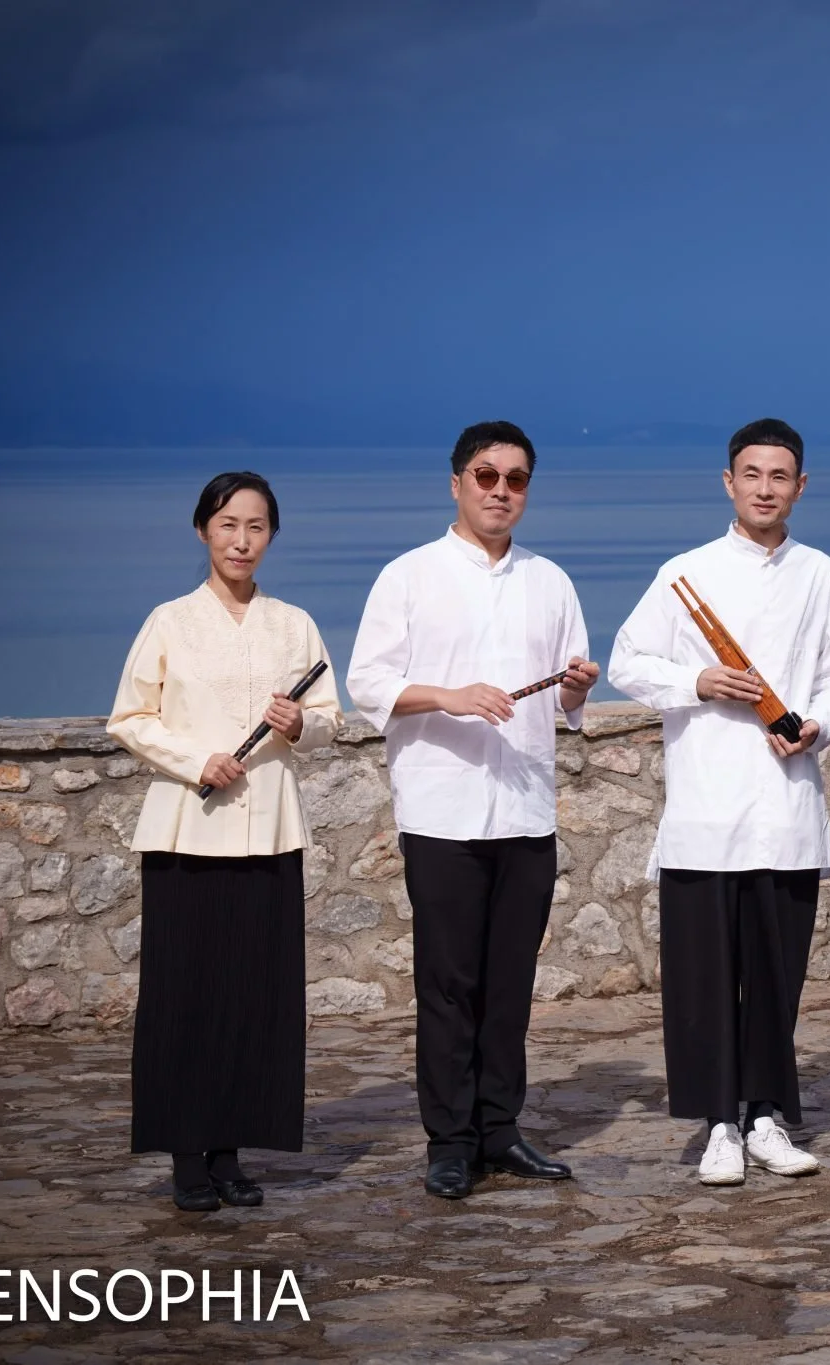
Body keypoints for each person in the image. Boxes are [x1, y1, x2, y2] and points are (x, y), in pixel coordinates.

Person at [346, 421, 598, 1199]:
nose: (500, 490)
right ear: (456, 482)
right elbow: (367, 683)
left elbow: (568, 698)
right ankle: (449, 1140)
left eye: (515, 478)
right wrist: (448, 696)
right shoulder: (408, 576)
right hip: (442, 810)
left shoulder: (551, 581)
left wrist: (577, 688)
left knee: (511, 982)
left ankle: (500, 1128)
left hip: (525, 811)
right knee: (449, 984)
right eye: (486, 475)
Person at [608, 418, 830, 1186]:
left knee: (777, 977)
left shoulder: (820, 574)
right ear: (729, 482)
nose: (764, 488)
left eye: (779, 475)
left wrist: (818, 723)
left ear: (800, 486)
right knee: (703, 982)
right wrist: (698, 680)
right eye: (751, 474)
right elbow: (627, 661)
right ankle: (718, 1121)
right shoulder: (685, 573)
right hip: (705, 810)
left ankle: (765, 1116)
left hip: (786, 809)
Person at [108, 471, 342, 1211]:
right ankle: (187, 1155)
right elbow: (129, 718)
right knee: (183, 998)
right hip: (187, 833)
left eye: (256, 526)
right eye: (228, 525)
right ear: (204, 530)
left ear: (272, 535)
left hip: (269, 832)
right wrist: (194, 760)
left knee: (256, 1000)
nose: (242, 540)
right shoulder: (169, 621)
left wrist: (300, 724)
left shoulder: (295, 625)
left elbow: (330, 718)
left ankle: (232, 1153)